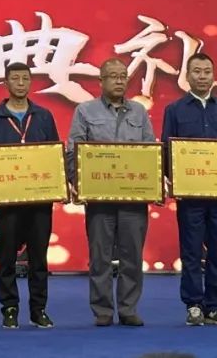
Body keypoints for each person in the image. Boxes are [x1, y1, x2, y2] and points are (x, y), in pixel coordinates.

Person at [66, 58, 155, 327]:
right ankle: (102, 310)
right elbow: (73, 151)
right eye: (113, 76)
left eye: (123, 76)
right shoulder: (85, 111)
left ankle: (128, 309)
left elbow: (151, 152)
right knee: (100, 257)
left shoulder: (139, 112)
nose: (119, 81)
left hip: (133, 199)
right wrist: (77, 182)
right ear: (101, 81)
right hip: (99, 199)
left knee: (132, 256)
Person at [162, 52, 217, 326]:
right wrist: (171, 180)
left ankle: (216, 305)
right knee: (191, 251)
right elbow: (167, 149)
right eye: (197, 71)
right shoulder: (175, 110)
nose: (202, 76)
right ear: (187, 76)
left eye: (207, 71)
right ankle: (194, 304)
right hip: (190, 195)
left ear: (213, 75)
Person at [0, 62, 60, 329]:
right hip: (7, 201)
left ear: (31, 82)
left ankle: (39, 309)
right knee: (6, 257)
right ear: (6, 84)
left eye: (25, 78)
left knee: (39, 257)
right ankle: (9, 308)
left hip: (39, 201)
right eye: (15, 79)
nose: (21, 83)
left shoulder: (44, 116)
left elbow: (54, 156)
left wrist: (59, 184)